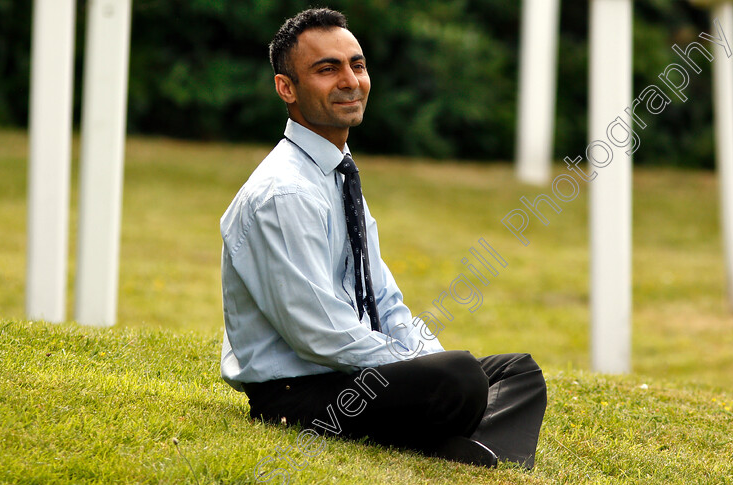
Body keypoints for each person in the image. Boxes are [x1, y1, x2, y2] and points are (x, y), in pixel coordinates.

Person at [219, 7, 547, 469]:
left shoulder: (337, 175)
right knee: (459, 378)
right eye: (326, 69)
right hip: (299, 396)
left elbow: (383, 298)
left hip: (350, 378)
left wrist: (423, 355)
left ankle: (474, 449)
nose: (351, 80)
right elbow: (319, 333)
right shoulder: (282, 193)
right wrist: (409, 365)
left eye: (357, 64)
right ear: (286, 88)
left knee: (518, 372)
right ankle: (462, 439)